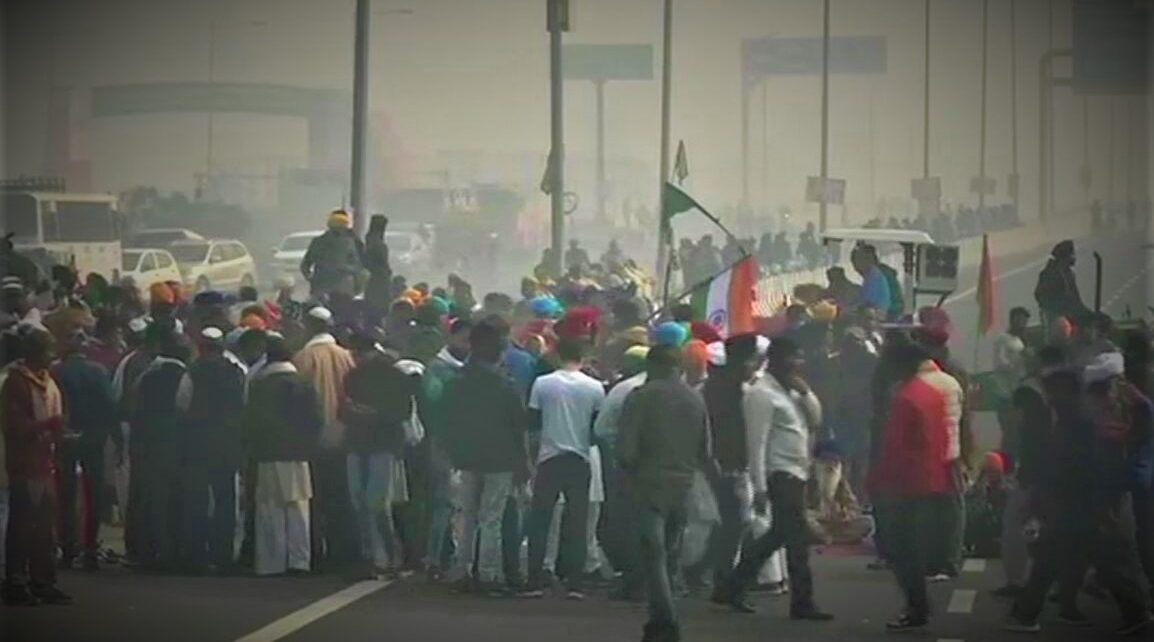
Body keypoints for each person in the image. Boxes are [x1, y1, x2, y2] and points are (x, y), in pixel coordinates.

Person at [1006, 364, 1152, 635]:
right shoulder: (1072, 418)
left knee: (1101, 560)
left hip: (1081, 504)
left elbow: (1083, 466)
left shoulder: (1078, 422)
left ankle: (1135, 613)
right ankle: (1033, 612)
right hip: (1076, 503)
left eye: (1053, 390)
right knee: (1063, 558)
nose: (1049, 396)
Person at [714, 337, 833, 621]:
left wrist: (805, 394)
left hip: (797, 470)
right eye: (793, 358)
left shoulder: (789, 392)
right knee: (795, 539)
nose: (798, 364)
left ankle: (732, 586)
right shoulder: (761, 393)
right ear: (776, 360)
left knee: (778, 535)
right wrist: (760, 486)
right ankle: (802, 602)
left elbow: (815, 420)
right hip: (779, 473)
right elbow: (758, 442)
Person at [617, 344, 712, 642]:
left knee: (654, 554)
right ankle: (665, 614)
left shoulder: (640, 397)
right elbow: (706, 450)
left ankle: (664, 621)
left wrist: (628, 474)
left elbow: (626, 450)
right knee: (670, 553)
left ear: (652, 366)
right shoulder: (695, 399)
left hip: (649, 484)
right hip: (683, 484)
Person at [441, 319, 531, 594]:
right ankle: (488, 573)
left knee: (466, 516)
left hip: (467, 457)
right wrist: (524, 462)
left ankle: (462, 570)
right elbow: (519, 427)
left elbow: (448, 421)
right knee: (490, 518)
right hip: (500, 459)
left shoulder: (457, 381)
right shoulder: (505, 385)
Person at [870, 342, 955, 632]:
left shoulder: (904, 398)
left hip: (905, 481)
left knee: (901, 549)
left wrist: (880, 480)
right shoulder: (931, 393)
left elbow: (894, 447)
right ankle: (919, 605)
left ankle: (917, 606)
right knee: (916, 546)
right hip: (931, 476)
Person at [522, 337, 605, 599]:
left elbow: (533, 423)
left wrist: (530, 458)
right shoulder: (594, 388)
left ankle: (536, 578)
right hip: (580, 458)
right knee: (578, 522)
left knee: (541, 520)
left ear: (557, 355)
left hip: (548, 458)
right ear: (583, 358)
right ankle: (575, 582)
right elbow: (597, 428)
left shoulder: (543, 384)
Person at [1, 327, 71, 606]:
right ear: (32, 353)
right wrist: (50, 426)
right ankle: (16, 580)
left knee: (44, 525)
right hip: (23, 463)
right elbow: (14, 426)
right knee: (23, 522)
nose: (51, 356)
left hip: (44, 461)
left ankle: (42, 580)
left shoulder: (47, 381)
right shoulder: (15, 383)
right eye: (47, 351)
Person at [244, 335, 323, 576]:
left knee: (270, 508)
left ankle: (272, 561)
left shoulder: (260, 385)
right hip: (298, 455)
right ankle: (299, 559)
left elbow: (251, 422)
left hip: (268, 454)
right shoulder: (304, 383)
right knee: (299, 507)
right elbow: (315, 421)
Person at [993, 346, 1066, 598]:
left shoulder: (1031, 390)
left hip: (1035, 467)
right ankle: (1062, 585)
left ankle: (1019, 582)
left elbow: (1023, 433)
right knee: (1054, 525)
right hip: (1062, 467)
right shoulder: (1071, 387)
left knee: (1015, 523)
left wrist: (1016, 465)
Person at [175, 327, 246, 574]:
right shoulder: (237, 372)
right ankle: (224, 555)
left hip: (198, 443)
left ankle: (197, 555)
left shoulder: (193, 372)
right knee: (227, 499)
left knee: (198, 499)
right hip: (228, 444)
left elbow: (182, 405)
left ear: (202, 346)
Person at [341, 336, 412, 576]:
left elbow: (402, 412)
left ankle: (387, 554)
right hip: (366, 444)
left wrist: (368, 414)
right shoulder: (354, 376)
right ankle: (374, 555)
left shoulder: (392, 377)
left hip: (379, 444)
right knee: (366, 502)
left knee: (373, 502)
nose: (356, 357)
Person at [293, 306, 358, 571]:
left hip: (315, 440)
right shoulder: (347, 356)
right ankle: (345, 553)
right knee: (343, 499)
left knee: (316, 501)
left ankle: (318, 555)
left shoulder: (304, 358)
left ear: (308, 327)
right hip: (345, 437)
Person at [51, 329, 121, 571]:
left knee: (66, 493)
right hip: (94, 438)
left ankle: (68, 548)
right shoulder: (98, 371)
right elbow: (111, 406)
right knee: (94, 492)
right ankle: (90, 547)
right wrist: (118, 439)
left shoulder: (55, 371)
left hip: (66, 436)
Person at [699, 335, 761, 591]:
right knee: (733, 524)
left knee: (730, 524)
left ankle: (713, 574)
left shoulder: (721, 386)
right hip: (725, 466)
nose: (754, 367)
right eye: (752, 362)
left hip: (727, 465)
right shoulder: (728, 390)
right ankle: (721, 579)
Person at [130, 325, 190, 572]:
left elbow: (134, 407)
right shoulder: (186, 377)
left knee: (153, 501)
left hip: (149, 446)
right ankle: (173, 553)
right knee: (176, 501)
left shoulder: (147, 376)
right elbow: (185, 411)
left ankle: (150, 553)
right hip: (177, 447)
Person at [418, 318, 471, 579]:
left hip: (462, 444)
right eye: (464, 339)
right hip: (443, 445)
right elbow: (434, 405)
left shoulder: (463, 368)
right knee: (444, 503)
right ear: (451, 338)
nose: (468, 345)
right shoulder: (437, 370)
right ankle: (435, 558)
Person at [300, 209, 365, 298]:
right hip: (343, 289)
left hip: (320, 288)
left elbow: (305, 265)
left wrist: (311, 278)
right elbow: (358, 266)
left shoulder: (318, 241)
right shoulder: (350, 242)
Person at [1033, 240, 1089, 333]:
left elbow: (1075, 298)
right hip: (1056, 320)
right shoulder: (1050, 274)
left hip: (1068, 316)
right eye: (1072, 254)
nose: (1074, 258)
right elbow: (1040, 296)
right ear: (1065, 256)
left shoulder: (1068, 274)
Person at [851, 245, 891, 316]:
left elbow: (868, 302)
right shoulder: (871, 275)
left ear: (865, 260)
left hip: (875, 318)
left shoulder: (873, 276)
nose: (855, 269)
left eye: (856, 262)